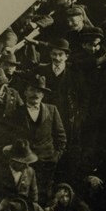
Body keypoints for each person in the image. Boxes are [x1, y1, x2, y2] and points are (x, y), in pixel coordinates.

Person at [8, 74, 67, 202]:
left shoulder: (52, 110)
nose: (35, 94)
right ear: (25, 92)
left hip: (47, 162)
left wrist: (56, 156)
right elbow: (11, 136)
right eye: (32, 90)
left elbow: (61, 137)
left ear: (43, 95)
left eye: (39, 91)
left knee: (44, 193)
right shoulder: (17, 112)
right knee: (24, 194)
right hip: (26, 163)